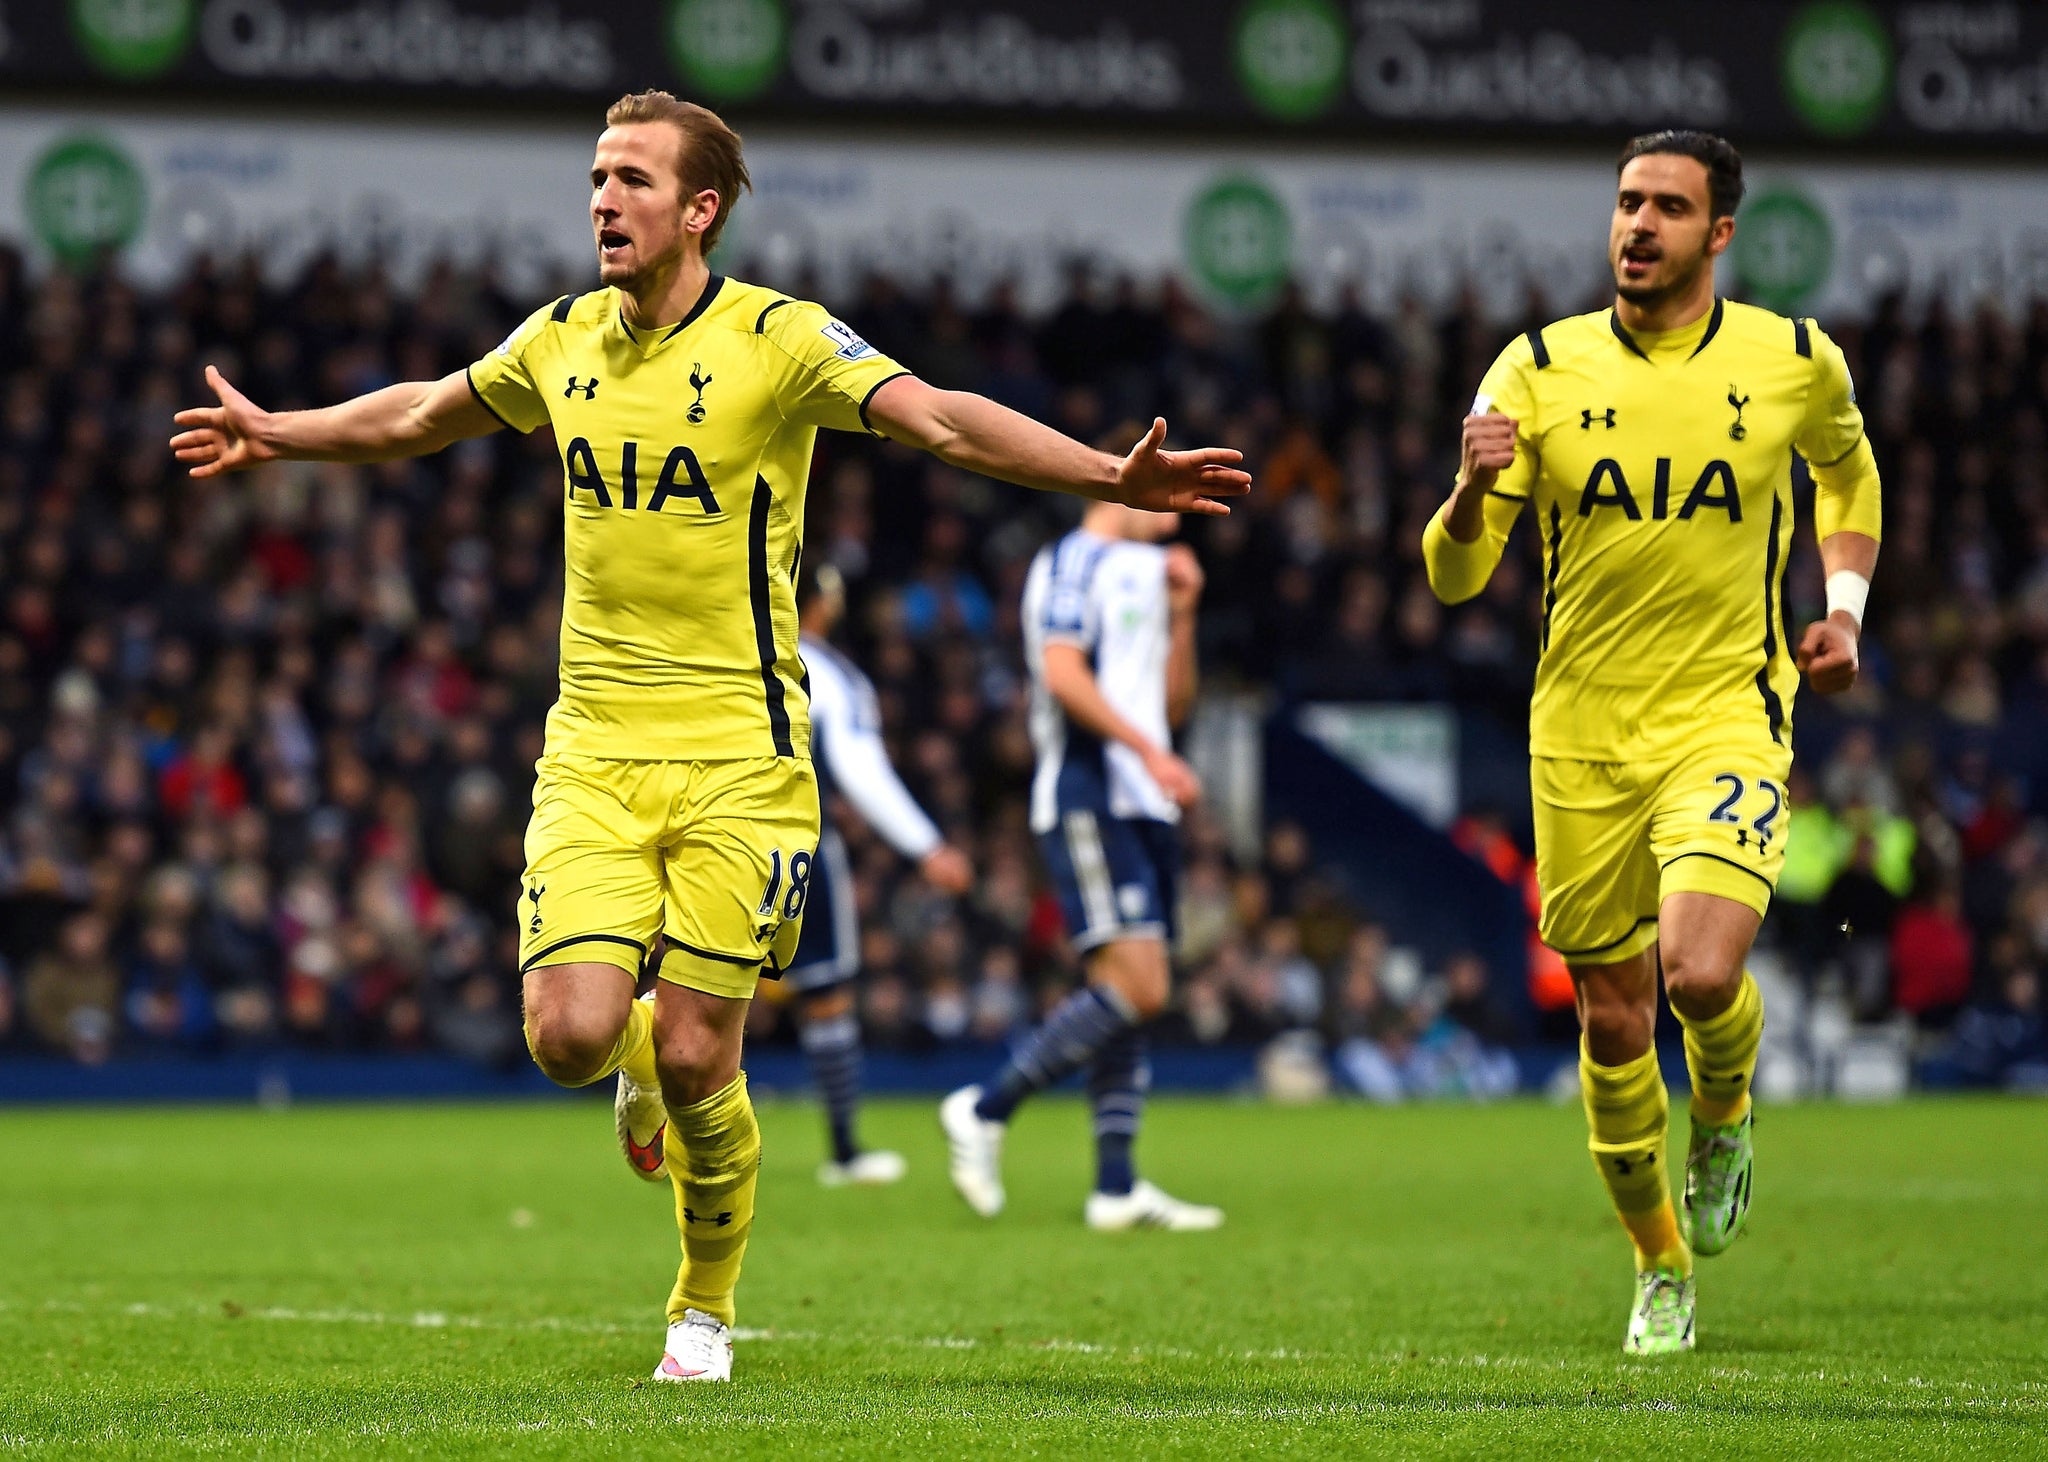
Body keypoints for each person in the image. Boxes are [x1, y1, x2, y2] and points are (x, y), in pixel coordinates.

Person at [169, 90, 1249, 1383]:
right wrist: (277, 431)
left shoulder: (779, 342)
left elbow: (943, 418)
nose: (602, 200)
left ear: (700, 209)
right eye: (595, 176)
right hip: (594, 752)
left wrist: (1101, 476)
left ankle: (704, 1306)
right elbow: (419, 414)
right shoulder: (560, 340)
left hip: (745, 755)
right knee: (569, 1035)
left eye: (631, 178)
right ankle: (622, 1055)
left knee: (701, 1051)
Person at [1422, 131, 1881, 1354]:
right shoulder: (1529, 369)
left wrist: (1839, 614)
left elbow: (1848, 475)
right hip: (1576, 736)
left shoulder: (1789, 359)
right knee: (1613, 1018)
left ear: (1716, 233)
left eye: (1667, 208)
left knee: (1695, 972)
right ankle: (1657, 1266)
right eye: (1626, 202)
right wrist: (1467, 494)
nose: (1636, 225)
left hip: (1726, 710)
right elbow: (1454, 577)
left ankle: (1724, 1110)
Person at [941, 495, 1223, 1232]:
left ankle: (1117, 1186)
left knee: (1123, 992)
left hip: (1143, 798)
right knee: (1142, 985)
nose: (1173, 523)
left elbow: (1170, 703)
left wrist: (1185, 615)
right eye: (1165, 502)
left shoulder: (1145, 569)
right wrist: (1150, 753)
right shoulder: (1073, 560)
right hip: (1090, 792)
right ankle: (984, 1106)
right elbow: (1062, 675)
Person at [790, 561, 973, 1186]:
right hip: (795, 843)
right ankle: (844, 1151)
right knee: (827, 993)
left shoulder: (719, 650)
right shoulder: (829, 674)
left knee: (697, 984)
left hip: (704, 836)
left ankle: (673, 1134)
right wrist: (927, 846)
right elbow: (861, 771)